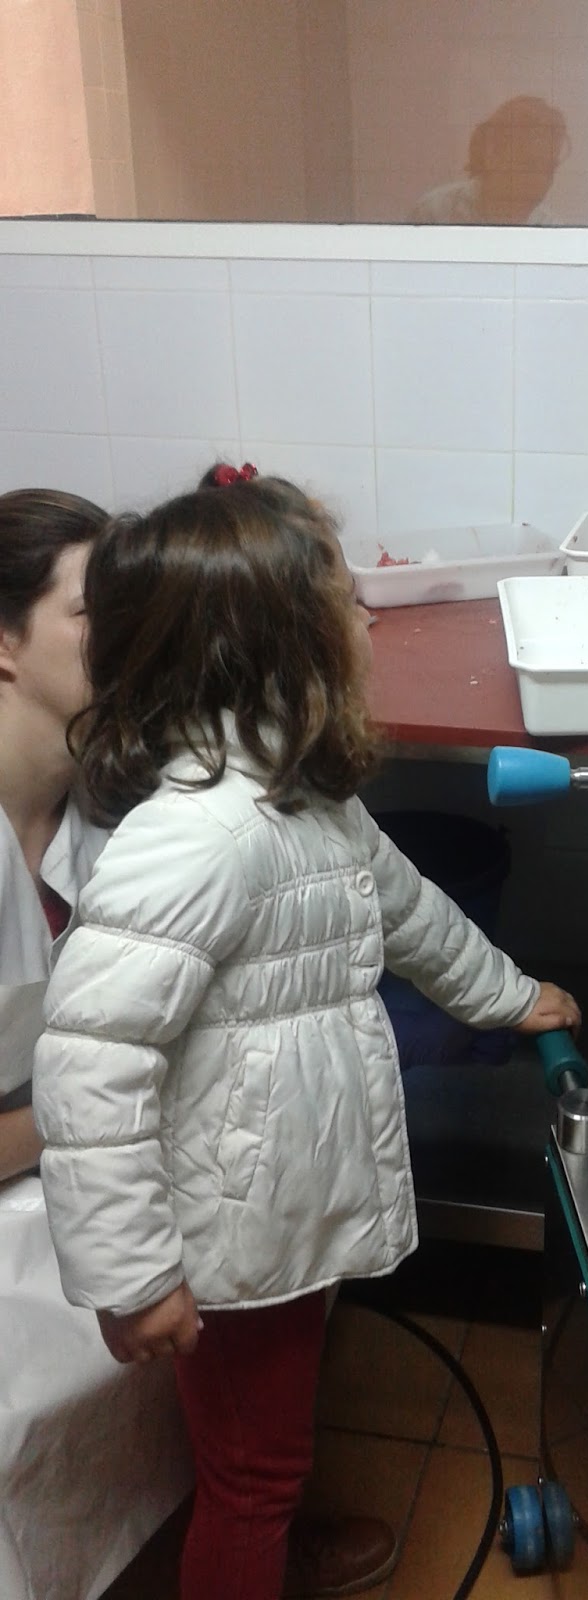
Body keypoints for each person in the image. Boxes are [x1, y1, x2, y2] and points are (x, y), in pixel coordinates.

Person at [33, 469, 581, 1600]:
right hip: (228, 1223)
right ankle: (257, 1546)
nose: (365, 622)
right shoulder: (198, 836)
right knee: (251, 1473)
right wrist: (131, 1274)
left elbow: (408, 909)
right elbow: (90, 1063)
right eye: (343, 604)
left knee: (267, 1443)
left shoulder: (302, 792)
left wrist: (508, 994)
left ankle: (275, 1539)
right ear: (276, 646)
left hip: (281, 1194)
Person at [0, 488, 192, 1600]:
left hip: (53, 1160)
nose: (125, 635)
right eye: (91, 612)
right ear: (4, 644)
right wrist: (99, 1106)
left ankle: (236, 1520)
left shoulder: (104, 820)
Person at [410, 94, 570, 225]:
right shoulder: (434, 213)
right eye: (529, 166)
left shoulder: (551, 229)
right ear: (492, 156)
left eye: (549, 169)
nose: (541, 183)